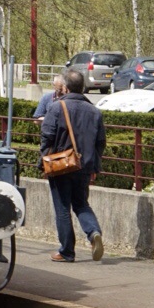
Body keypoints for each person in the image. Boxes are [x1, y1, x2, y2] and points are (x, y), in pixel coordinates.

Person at [39, 69, 106, 262]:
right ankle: (94, 232)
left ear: (66, 87)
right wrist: (94, 166)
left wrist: (42, 163)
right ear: (83, 88)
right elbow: (100, 142)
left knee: (62, 208)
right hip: (83, 166)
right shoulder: (95, 111)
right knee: (81, 203)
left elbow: (47, 137)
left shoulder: (57, 107)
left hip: (60, 165)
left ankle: (67, 251)